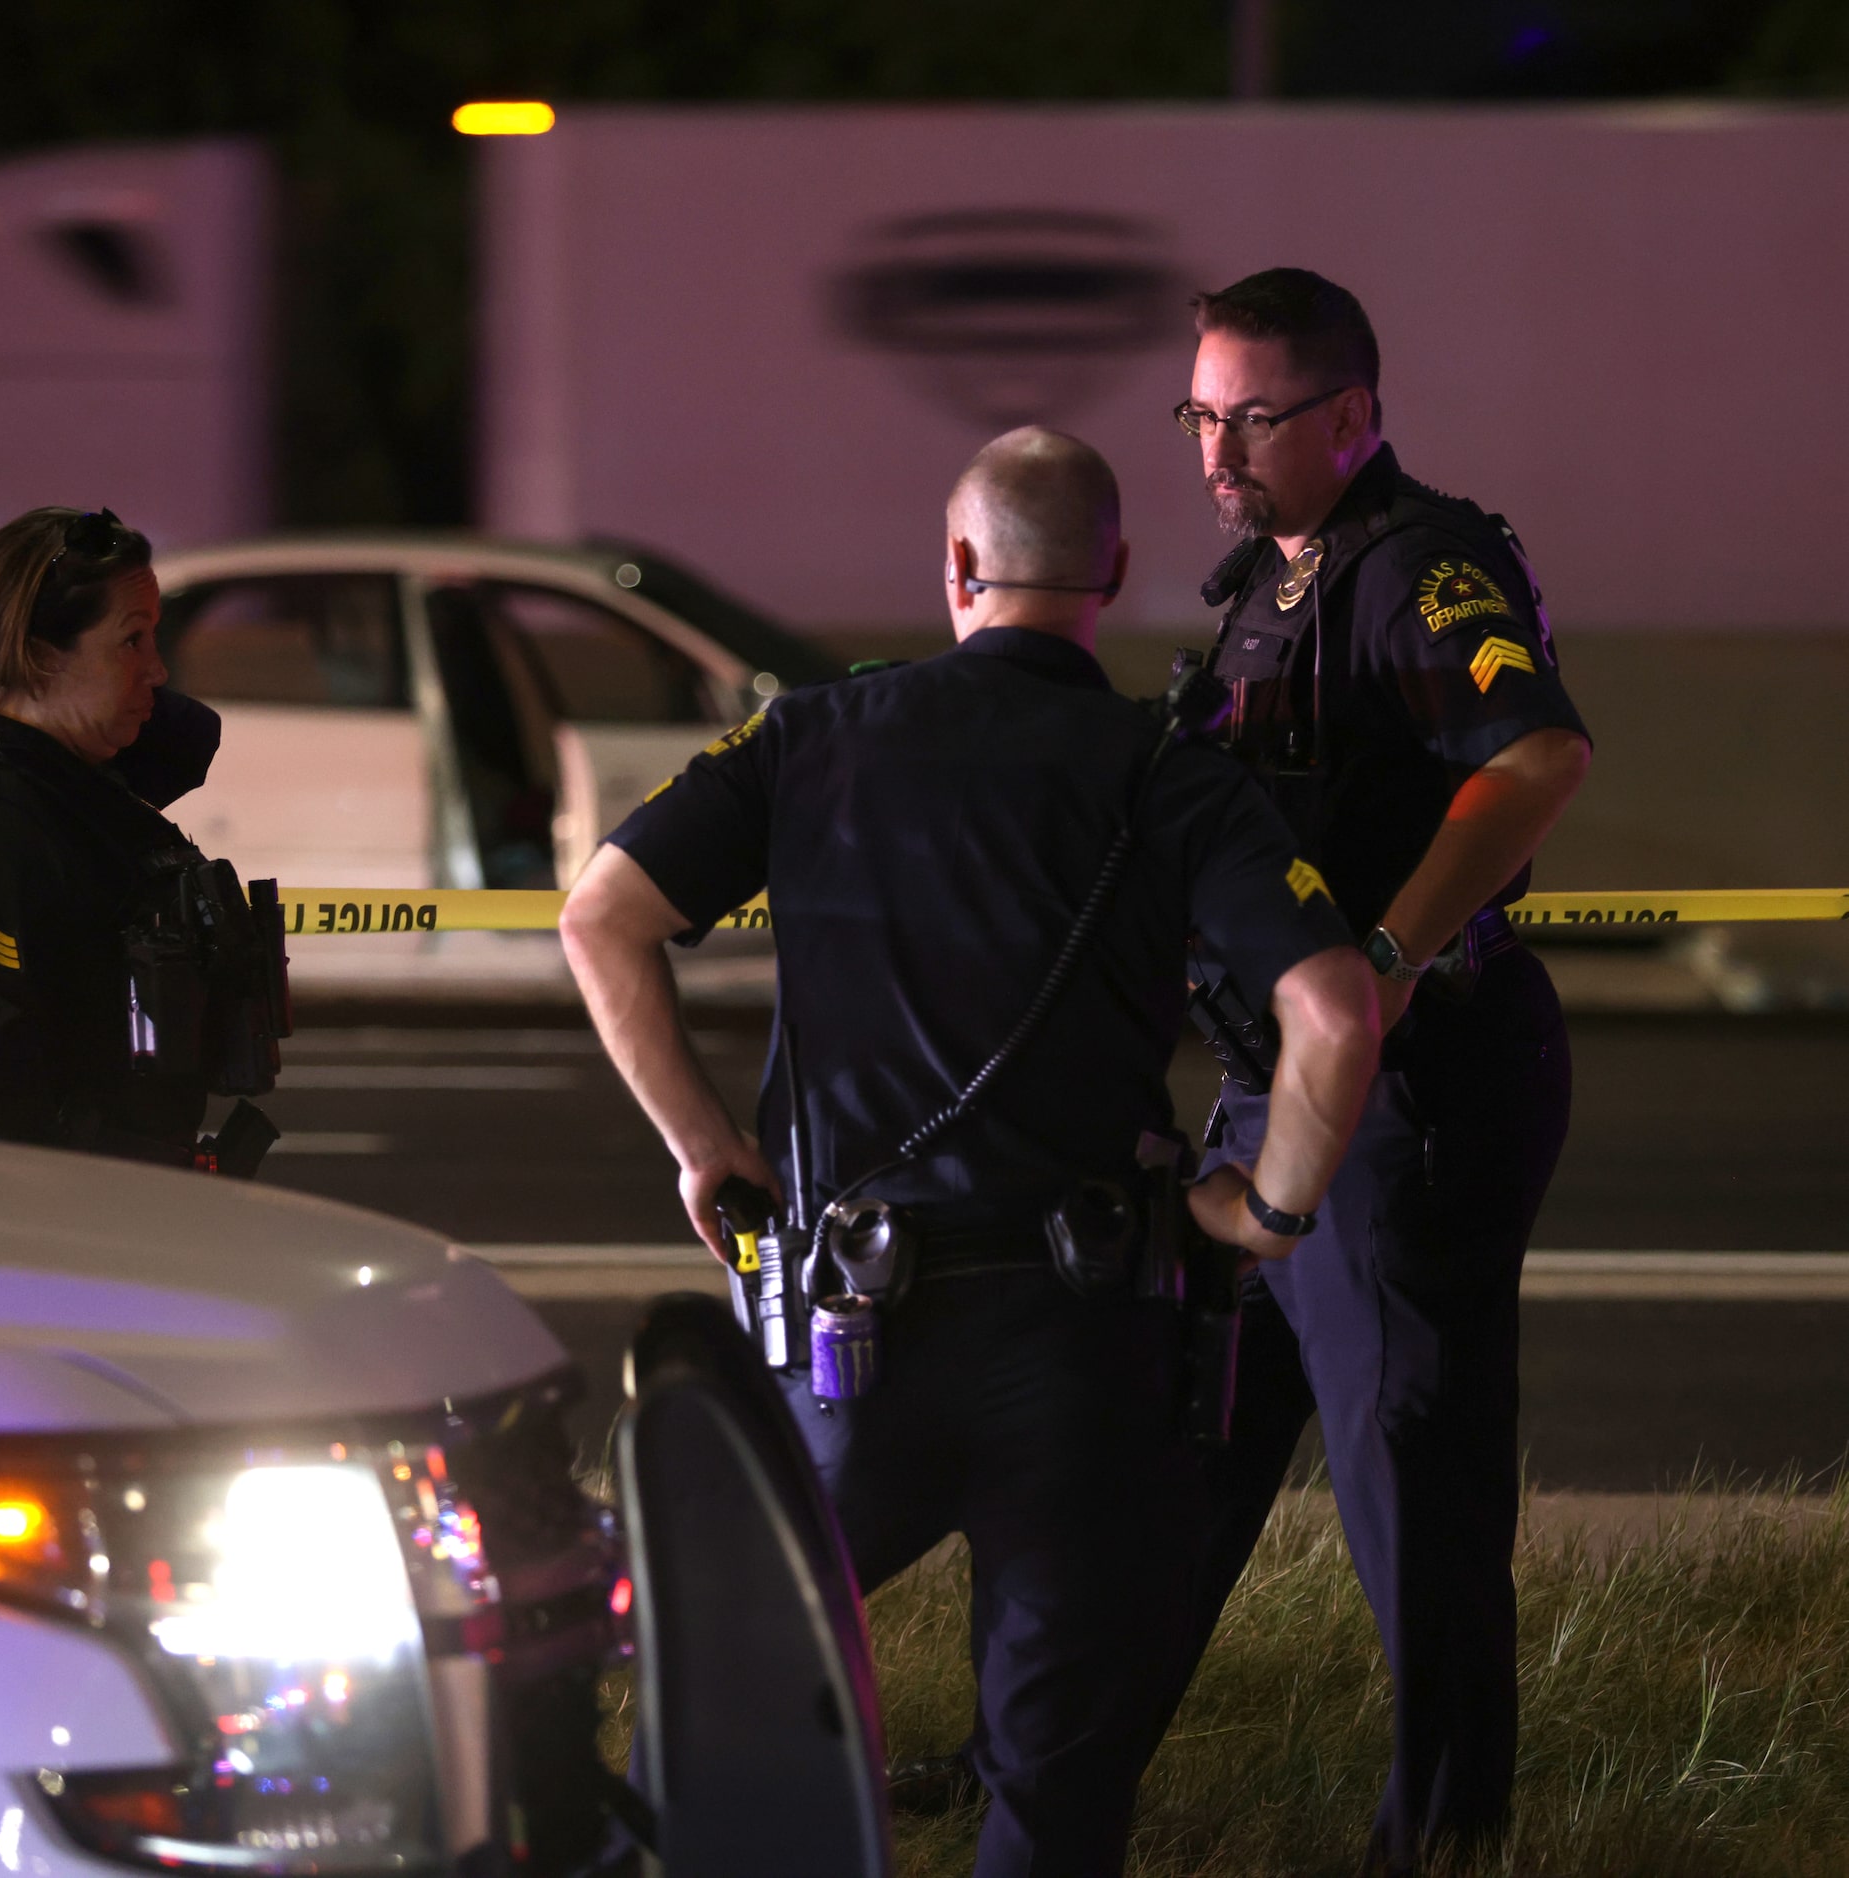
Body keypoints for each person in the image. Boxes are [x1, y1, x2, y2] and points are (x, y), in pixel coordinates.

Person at [559, 427, 1382, 1878]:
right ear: (1112, 573)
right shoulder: (1170, 776)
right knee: (1055, 1786)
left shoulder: (808, 737)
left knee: (727, 1701)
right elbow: (1331, 1005)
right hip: (1085, 1343)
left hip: (845, 1334)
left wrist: (707, 1147)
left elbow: (601, 916)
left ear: (953, 564)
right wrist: (1267, 1208)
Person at [1172, 269, 1593, 1873]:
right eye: (1199, 412)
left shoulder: (1419, 566)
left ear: (1350, 416)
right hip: (1278, 1088)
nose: (1217, 446)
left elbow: (1537, 755)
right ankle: (1047, 1760)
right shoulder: (1269, 579)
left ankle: (1444, 1830)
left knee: (1409, 1482)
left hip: (1410, 1095)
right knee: (1183, 1455)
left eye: (1254, 415)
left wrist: (1395, 958)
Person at [0, 505, 284, 1167]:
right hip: (70, 1215)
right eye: (132, 641)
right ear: (43, 654)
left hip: (131, 1195)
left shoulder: (75, 781)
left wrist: (19, 690)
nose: (156, 669)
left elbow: (190, 740)